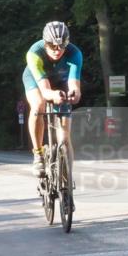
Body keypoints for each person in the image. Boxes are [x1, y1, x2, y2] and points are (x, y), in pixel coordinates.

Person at [23, 21, 83, 177]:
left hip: (60, 80)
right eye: (52, 45)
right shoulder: (34, 53)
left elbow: (74, 84)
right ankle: (38, 153)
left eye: (62, 46)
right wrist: (53, 95)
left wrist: (74, 93)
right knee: (38, 105)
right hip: (36, 80)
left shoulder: (75, 53)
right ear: (45, 43)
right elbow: (45, 90)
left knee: (64, 136)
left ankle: (67, 181)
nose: (57, 50)